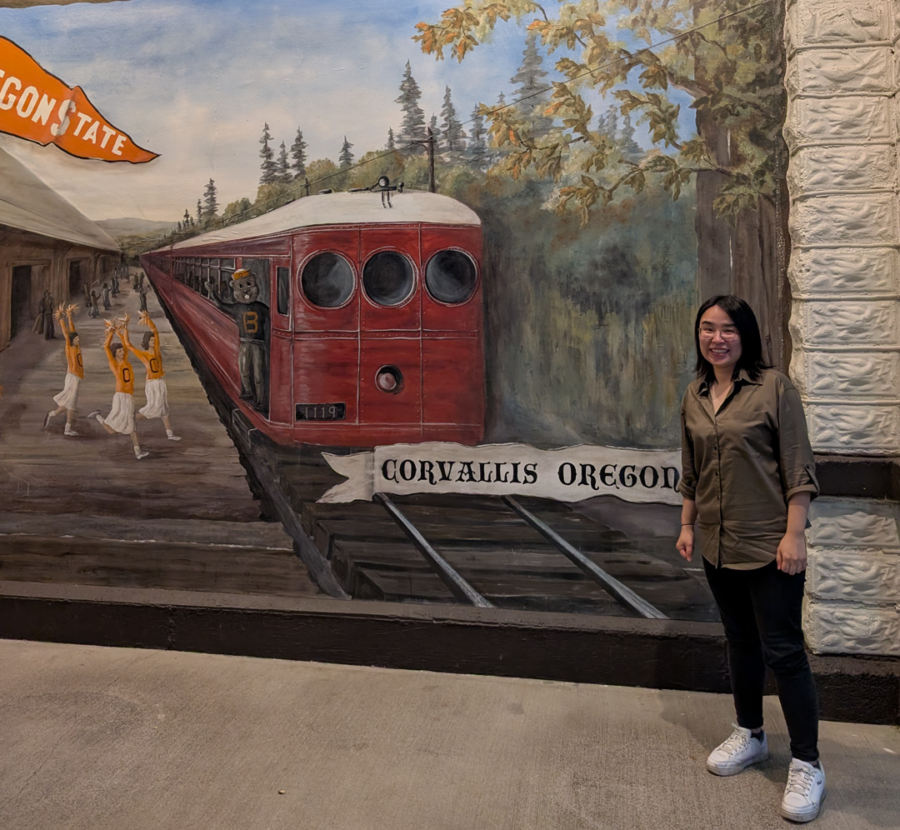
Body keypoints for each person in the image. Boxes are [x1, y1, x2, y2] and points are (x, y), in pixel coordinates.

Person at [676, 295, 824, 823]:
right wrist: (688, 524)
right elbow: (691, 470)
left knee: (783, 651)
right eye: (707, 329)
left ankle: (808, 763)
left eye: (728, 329)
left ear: (746, 335)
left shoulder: (773, 387)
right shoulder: (695, 395)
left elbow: (798, 466)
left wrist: (794, 534)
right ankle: (751, 733)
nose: (717, 338)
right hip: (716, 541)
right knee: (740, 640)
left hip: (768, 544)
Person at [87, 319, 148, 460]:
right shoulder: (114, 364)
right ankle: (137, 451)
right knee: (113, 430)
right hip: (121, 397)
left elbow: (126, 343)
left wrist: (123, 329)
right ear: (115, 353)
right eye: (119, 351)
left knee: (128, 426)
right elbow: (105, 346)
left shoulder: (125, 359)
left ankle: (138, 451)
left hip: (128, 397)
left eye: (122, 350)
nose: (122, 352)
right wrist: (111, 333)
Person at [120, 311, 180, 441]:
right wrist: (125, 328)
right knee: (154, 408)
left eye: (154, 340)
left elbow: (155, 330)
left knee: (163, 408)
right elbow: (128, 344)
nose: (153, 341)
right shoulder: (143, 354)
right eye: (151, 340)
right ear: (147, 342)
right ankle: (130, 419)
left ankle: (170, 434)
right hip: (152, 383)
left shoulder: (157, 350)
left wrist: (148, 320)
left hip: (161, 381)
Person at [43, 304, 83, 436]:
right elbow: (67, 333)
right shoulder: (70, 347)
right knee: (71, 405)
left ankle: (51, 414)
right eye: (76, 339)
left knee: (68, 403)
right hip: (73, 377)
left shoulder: (76, 347)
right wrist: (61, 318)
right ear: (72, 341)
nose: (78, 339)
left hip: (75, 377)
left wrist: (70, 316)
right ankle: (68, 428)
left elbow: (72, 330)